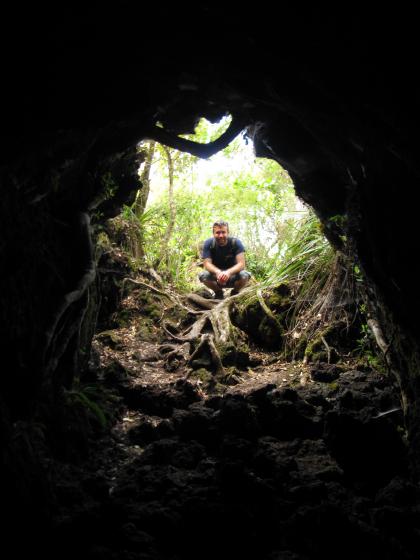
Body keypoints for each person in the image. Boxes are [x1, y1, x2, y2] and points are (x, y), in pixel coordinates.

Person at [198, 220, 251, 299]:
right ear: (213, 233)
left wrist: (228, 273)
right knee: (203, 276)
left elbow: (241, 264)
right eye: (218, 233)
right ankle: (218, 293)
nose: (221, 235)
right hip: (216, 277)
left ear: (228, 232)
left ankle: (235, 293)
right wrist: (218, 273)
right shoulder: (208, 243)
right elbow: (207, 264)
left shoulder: (236, 243)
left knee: (244, 275)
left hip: (233, 276)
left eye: (223, 232)